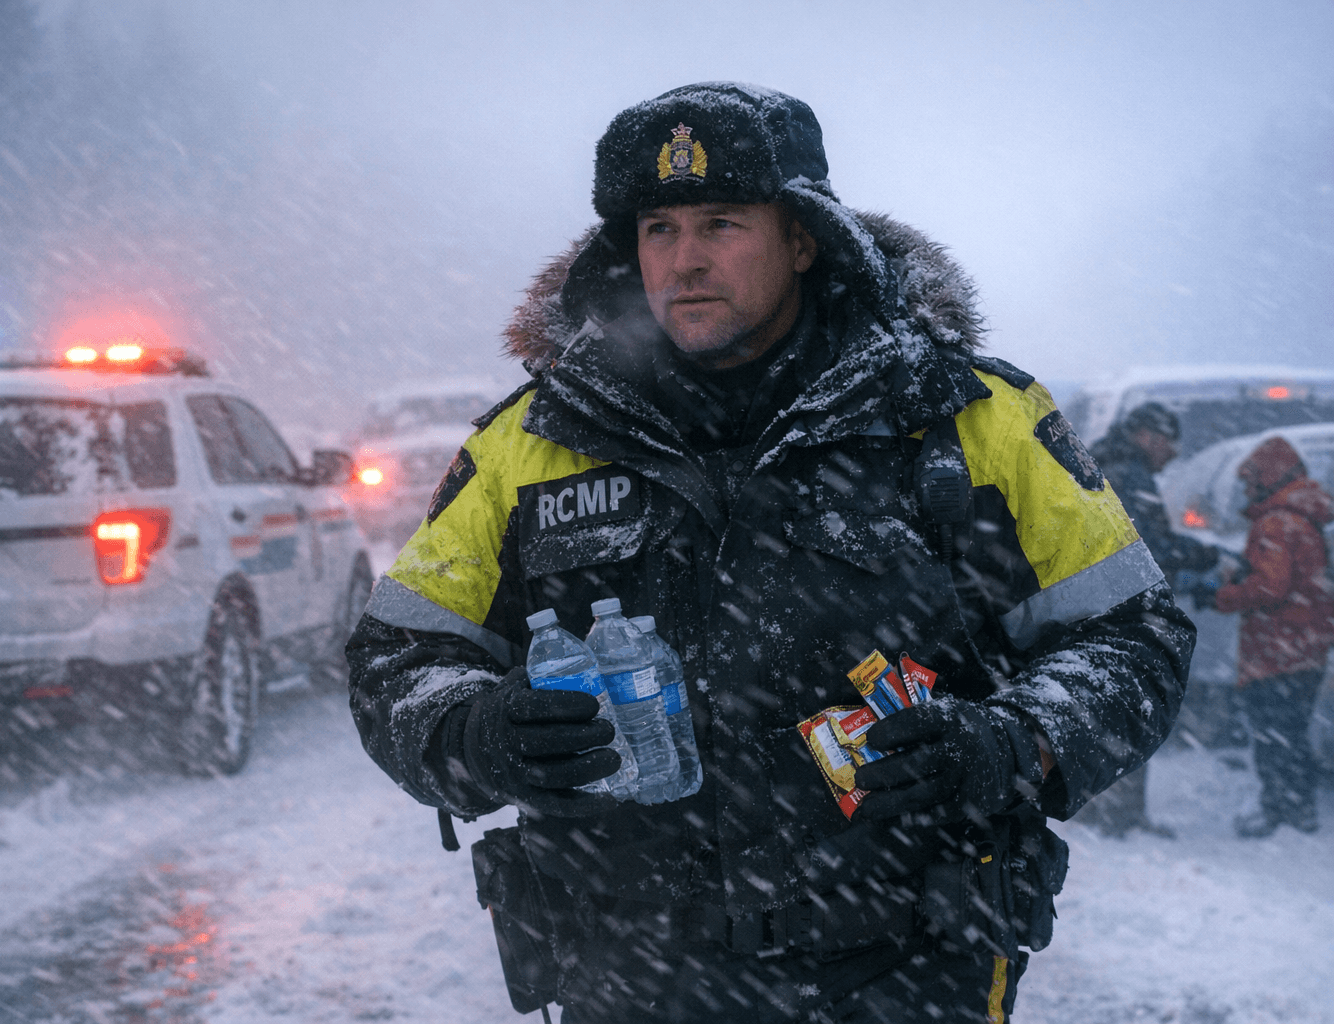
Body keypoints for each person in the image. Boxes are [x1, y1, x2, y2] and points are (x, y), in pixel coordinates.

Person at [348, 83, 1194, 1023]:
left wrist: (1014, 742)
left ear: (803, 238)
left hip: (911, 969)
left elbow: (1133, 635)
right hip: (630, 976)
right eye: (659, 228)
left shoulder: (967, 420)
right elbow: (397, 661)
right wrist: (473, 734)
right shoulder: (527, 444)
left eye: (722, 222)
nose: (685, 261)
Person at [1076, 402, 1221, 838]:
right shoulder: (1131, 474)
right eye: (1170, 442)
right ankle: (1119, 815)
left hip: (1092, 607)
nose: (1174, 453)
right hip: (1121, 609)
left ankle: (1099, 807)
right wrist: (1206, 557)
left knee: (1101, 706)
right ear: (1148, 435)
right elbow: (1147, 547)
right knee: (1132, 707)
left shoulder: (1100, 461)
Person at [1201, 436, 1333, 837]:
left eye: (1251, 482)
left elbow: (1271, 587)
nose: (1246, 490)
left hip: (1277, 645)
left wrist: (1222, 594)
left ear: (1268, 478)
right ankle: (1298, 806)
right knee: (1291, 729)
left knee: (1273, 734)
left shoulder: (1276, 522)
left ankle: (1282, 809)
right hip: (1305, 643)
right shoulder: (1302, 518)